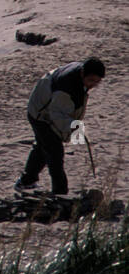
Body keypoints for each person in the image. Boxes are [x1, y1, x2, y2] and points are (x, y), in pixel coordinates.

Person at [16, 58, 106, 195]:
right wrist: (74, 126)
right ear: (82, 73)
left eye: (97, 81)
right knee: (55, 151)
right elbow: (56, 114)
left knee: (43, 145)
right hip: (40, 114)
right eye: (91, 80)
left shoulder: (80, 75)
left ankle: (26, 181)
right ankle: (60, 192)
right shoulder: (66, 87)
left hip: (45, 105)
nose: (93, 85)